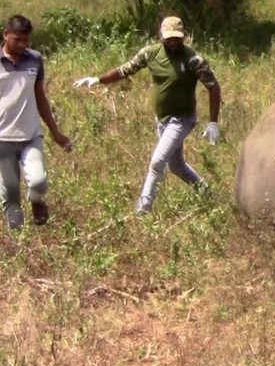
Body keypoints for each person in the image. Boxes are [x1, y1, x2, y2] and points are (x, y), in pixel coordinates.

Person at [74, 16, 221, 213]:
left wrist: (213, 122)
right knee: (176, 166)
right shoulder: (150, 53)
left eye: (177, 38)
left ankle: (143, 209)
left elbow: (213, 87)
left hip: (182, 119)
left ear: (183, 37)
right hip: (162, 119)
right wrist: (98, 80)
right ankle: (208, 194)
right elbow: (125, 70)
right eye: (169, 38)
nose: (173, 42)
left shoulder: (193, 59)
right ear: (161, 36)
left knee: (158, 161)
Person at [0, 15, 73, 230]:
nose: (22, 45)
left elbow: (40, 97)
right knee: (11, 195)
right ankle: (18, 244)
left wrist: (56, 133)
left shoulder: (34, 59)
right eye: (17, 40)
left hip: (30, 135)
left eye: (26, 40)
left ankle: (37, 201)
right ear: (6, 35)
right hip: (3, 139)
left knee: (39, 182)